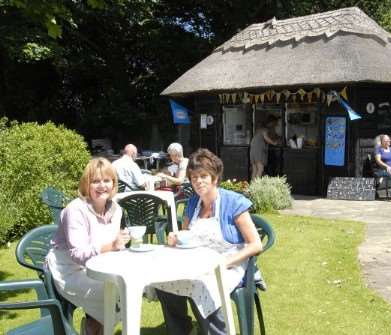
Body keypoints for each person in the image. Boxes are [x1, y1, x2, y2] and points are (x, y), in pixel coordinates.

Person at [152, 148, 263, 335]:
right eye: (194, 177)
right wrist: (176, 238)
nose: (198, 181)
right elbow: (185, 234)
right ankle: (181, 330)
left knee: (200, 284)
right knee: (164, 279)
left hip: (230, 263)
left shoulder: (233, 202)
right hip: (197, 261)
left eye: (203, 176)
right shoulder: (194, 202)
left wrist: (224, 262)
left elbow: (256, 244)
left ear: (215, 177)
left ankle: (217, 332)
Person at [46, 158, 130, 335]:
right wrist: (111, 246)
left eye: (107, 180)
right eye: (96, 181)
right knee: (113, 294)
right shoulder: (75, 210)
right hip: (69, 269)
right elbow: (77, 254)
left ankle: (93, 328)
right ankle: (95, 329)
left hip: (99, 268)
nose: (102, 186)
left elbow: (111, 246)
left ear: (113, 184)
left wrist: (119, 244)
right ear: (87, 184)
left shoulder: (116, 209)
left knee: (126, 287)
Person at [249, 114, 280, 180]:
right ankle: (256, 187)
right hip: (259, 150)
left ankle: (252, 187)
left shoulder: (260, 129)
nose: (276, 124)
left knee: (255, 169)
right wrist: (274, 143)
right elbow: (266, 138)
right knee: (260, 169)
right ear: (271, 122)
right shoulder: (265, 129)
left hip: (253, 150)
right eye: (275, 123)